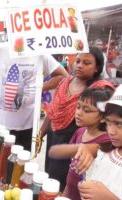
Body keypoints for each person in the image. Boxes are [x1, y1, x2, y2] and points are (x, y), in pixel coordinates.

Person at [40, 47, 115, 192]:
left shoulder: (101, 91)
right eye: (78, 61)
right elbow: (53, 108)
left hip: (77, 140)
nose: (80, 65)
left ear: (97, 68)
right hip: (55, 136)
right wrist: (42, 132)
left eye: (87, 63)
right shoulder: (64, 82)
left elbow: (109, 124)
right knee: (51, 176)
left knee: (67, 180)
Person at [0, 41, 69, 151]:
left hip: (28, 127)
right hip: (2, 125)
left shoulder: (39, 53)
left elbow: (64, 76)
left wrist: (40, 88)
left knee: (22, 165)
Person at [48, 85, 122, 200]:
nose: (111, 131)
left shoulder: (107, 143)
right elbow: (73, 170)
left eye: (119, 124)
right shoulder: (81, 133)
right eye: (78, 107)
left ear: (101, 117)